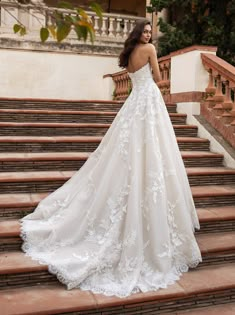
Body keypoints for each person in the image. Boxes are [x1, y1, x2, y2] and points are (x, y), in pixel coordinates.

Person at [21, 19, 202, 298]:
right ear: (139, 34)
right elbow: (156, 77)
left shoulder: (129, 54)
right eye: (145, 31)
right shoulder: (151, 49)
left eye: (149, 31)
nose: (148, 34)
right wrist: (163, 84)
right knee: (152, 150)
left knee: (128, 152)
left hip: (133, 105)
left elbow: (133, 77)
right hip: (149, 102)